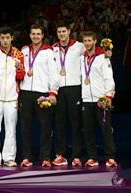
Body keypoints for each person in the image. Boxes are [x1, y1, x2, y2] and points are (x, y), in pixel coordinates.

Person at [20, 24, 59, 167]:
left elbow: (53, 73)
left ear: (42, 35)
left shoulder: (49, 51)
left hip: (42, 93)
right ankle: (26, 157)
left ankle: (45, 157)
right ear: (30, 35)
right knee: (25, 127)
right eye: (33, 33)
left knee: (45, 127)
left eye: (38, 34)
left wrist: (53, 92)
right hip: (25, 93)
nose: (35, 36)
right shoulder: (24, 50)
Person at [0, 26, 25, 168]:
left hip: (11, 98)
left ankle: (9, 157)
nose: (5, 40)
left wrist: (17, 67)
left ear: (12, 38)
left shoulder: (18, 54)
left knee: (11, 129)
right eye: (2, 38)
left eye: (7, 38)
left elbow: (21, 76)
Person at [80, 31, 117, 167]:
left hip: (101, 99)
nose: (87, 43)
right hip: (86, 99)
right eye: (85, 41)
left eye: (90, 40)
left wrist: (107, 97)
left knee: (106, 129)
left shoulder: (103, 57)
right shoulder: (81, 58)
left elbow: (109, 78)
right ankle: (92, 157)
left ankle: (110, 157)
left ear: (95, 41)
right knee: (88, 130)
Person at [51, 21, 84, 167]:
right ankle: (60, 155)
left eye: (64, 31)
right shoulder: (53, 49)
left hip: (74, 88)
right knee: (59, 123)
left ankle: (77, 156)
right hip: (59, 89)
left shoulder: (79, 46)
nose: (61, 34)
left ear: (69, 31)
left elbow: (93, 55)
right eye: (59, 32)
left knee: (76, 122)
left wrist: (107, 53)